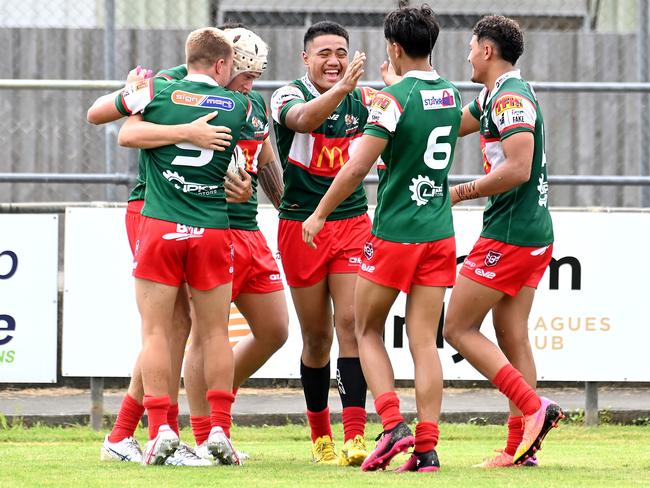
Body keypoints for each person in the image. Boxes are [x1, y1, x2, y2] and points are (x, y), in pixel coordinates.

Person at [302, 4, 460, 473]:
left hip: (394, 233)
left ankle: (392, 425)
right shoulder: (450, 93)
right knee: (424, 343)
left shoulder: (391, 100)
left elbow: (355, 167)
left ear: (393, 47)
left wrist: (318, 215)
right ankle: (427, 449)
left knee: (364, 329)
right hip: (439, 232)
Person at [89, 26, 250, 466]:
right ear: (221, 64)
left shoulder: (156, 90)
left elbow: (122, 129)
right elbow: (244, 149)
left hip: (160, 224)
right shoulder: (239, 105)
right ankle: (217, 427)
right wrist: (194, 133)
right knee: (214, 331)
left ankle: (159, 429)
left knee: (158, 331)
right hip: (212, 229)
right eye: (236, 66)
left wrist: (139, 93)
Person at [132, 27, 289, 463]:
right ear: (224, 62)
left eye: (256, 77)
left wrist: (263, 196)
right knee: (185, 331)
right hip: (196, 221)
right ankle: (188, 430)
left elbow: (262, 163)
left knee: (262, 330)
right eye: (244, 73)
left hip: (224, 227)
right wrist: (191, 133)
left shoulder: (174, 93)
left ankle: (181, 429)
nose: (249, 84)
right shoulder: (171, 85)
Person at [442, 15, 563, 468]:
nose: (467, 55)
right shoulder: (495, 93)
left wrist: (457, 193)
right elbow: (451, 125)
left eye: (471, 47)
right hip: (529, 231)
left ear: (487, 51)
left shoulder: (510, 97)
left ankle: (534, 408)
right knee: (512, 337)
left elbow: (518, 168)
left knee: (456, 328)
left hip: (511, 233)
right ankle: (520, 449)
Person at [270, 21, 377, 466]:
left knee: (352, 323)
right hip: (300, 226)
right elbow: (305, 119)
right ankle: (321, 436)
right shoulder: (286, 94)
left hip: (351, 221)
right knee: (317, 337)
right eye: (324, 53)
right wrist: (342, 89)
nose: (334, 60)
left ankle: (355, 436)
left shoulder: (365, 100)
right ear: (305, 59)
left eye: (341, 52)